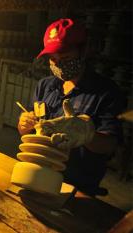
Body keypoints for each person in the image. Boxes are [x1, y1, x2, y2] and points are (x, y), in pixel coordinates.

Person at [17, 18, 126, 196]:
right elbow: (26, 131)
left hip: (78, 184)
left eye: (65, 57)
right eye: (53, 59)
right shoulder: (45, 86)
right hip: (39, 172)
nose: (59, 64)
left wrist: (87, 135)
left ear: (83, 51)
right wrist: (23, 125)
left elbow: (110, 145)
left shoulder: (107, 92)